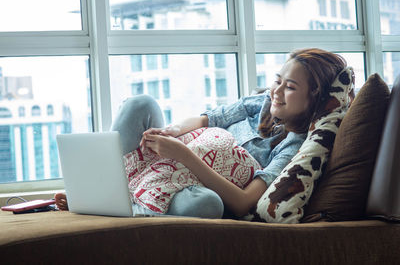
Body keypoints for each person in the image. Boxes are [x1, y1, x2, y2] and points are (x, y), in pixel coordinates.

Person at [55, 48, 351, 219]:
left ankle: (125, 204)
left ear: (314, 99)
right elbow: (209, 118)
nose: (276, 91)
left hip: (190, 183)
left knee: (207, 205)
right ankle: (106, 192)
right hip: (170, 160)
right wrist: (171, 132)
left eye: (290, 87)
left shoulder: (293, 148)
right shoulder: (258, 104)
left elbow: (242, 202)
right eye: (277, 80)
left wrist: (184, 157)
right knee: (140, 104)